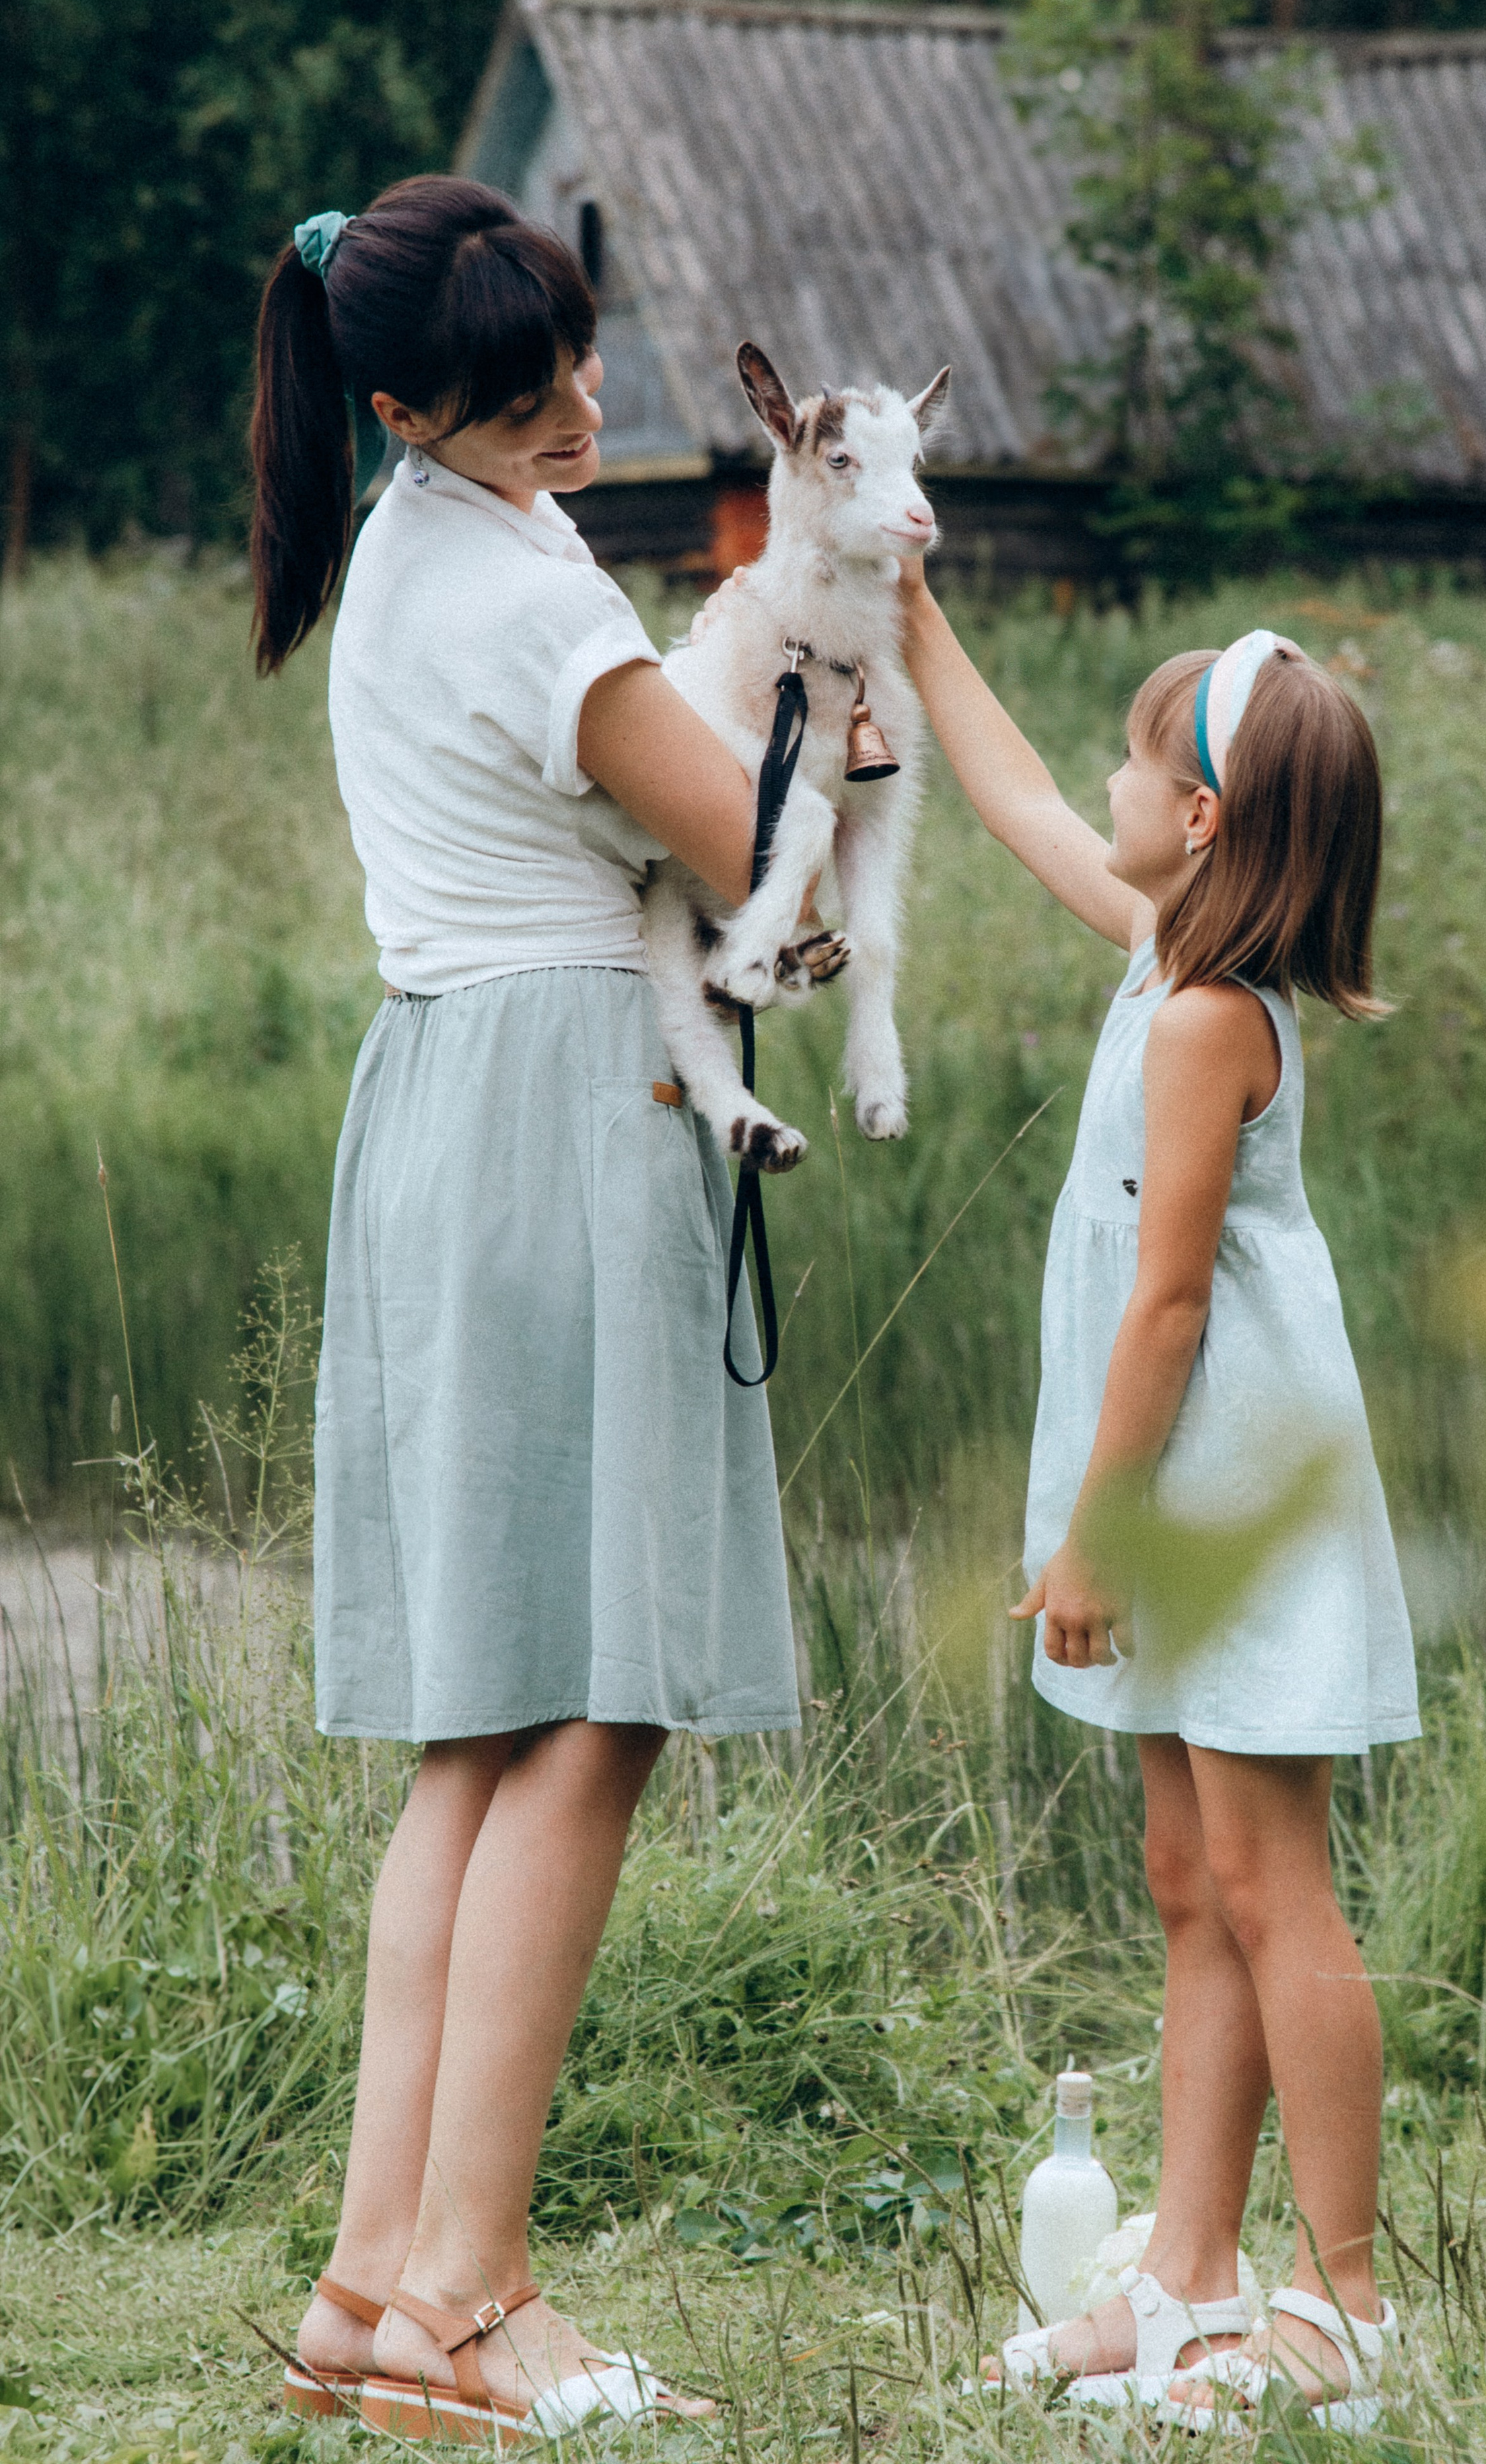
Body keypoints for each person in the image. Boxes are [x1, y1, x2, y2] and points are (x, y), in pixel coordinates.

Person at [250, 175, 816, 2440]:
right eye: (527, 395)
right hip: (572, 1097)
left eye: (584, 358)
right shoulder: (511, 592)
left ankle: (377, 2285)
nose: (586, 411)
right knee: (596, 1704)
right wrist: (821, 733)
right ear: (408, 404)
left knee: (482, 1727)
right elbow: (751, 854)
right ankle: (473, 2303)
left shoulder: (423, 540)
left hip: (455, 1104)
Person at [898, 585, 1420, 2432]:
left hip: (1225, 1505)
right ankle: (1188, 2283)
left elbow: (1174, 1303)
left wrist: (1099, 1540)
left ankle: (1340, 2306)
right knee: (1190, 1881)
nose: (1104, 781)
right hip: (1178, 1499)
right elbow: (1025, 800)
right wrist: (913, 611)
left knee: (1281, 1891)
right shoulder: (1162, 953)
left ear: (1199, 820)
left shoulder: (1210, 1022)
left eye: (1142, 755)